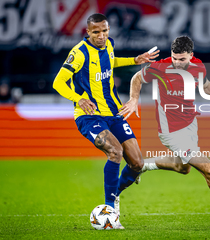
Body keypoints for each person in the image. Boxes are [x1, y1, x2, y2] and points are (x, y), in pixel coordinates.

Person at [118, 36, 210, 225]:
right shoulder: (161, 67)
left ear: (191, 56)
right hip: (171, 131)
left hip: (190, 126)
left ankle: (142, 166)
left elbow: (207, 86)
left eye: (182, 59)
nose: (177, 63)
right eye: (174, 58)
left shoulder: (198, 66)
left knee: (183, 168)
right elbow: (137, 77)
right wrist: (134, 99)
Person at [53, 13, 159, 229]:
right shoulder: (79, 52)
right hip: (89, 116)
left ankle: (115, 192)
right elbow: (58, 82)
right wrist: (79, 98)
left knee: (137, 163)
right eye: (96, 32)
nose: (101, 36)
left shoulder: (109, 44)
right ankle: (109, 209)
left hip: (114, 112)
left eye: (105, 31)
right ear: (87, 32)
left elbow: (111, 61)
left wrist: (134, 60)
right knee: (115, 152)